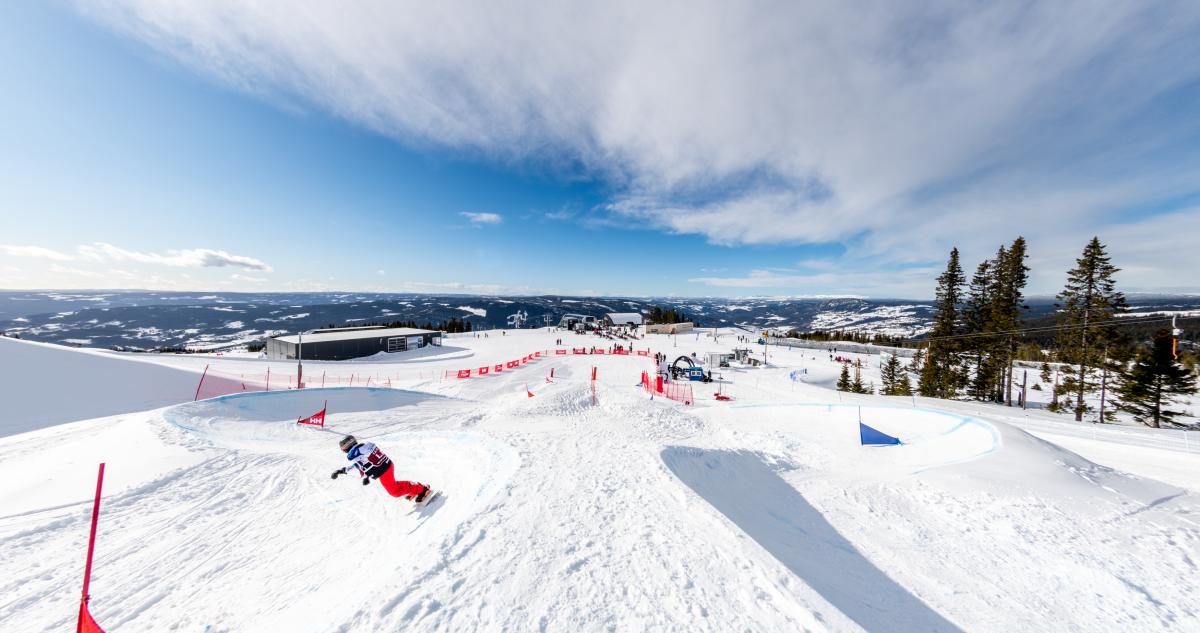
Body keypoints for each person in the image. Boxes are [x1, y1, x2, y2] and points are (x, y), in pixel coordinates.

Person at [331, 435, 432, 503]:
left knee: (394, 492)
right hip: (387, 465)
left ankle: (422, 489)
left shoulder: (355, 453)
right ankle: (415, 489)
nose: (343, 450)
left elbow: (358, 465)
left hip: (383, 470)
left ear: (347, 445)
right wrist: (367, 476)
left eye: (343, 447)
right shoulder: (365, 446)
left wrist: (341, 471)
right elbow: (366, 462)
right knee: (394, 486)